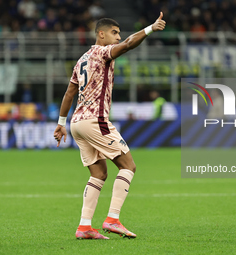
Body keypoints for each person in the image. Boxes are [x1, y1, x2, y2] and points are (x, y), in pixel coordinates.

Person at [53, 13, 166, 240]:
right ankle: (112, 219)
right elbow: (127, 45)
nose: (119, 37)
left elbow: (69, 93)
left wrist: (61, 123)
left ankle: (85, 226)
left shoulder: (81, 60)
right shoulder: (101, 53)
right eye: (114, 33)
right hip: (96, 120)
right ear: (101, 34)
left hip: (76, 123)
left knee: (99, 173)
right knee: (128, 166)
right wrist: (150, 28)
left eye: (119, 33)